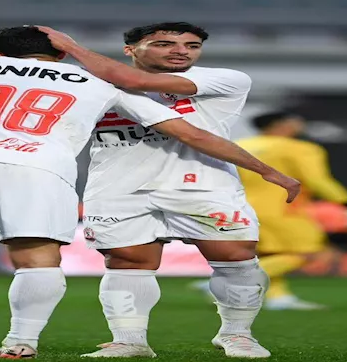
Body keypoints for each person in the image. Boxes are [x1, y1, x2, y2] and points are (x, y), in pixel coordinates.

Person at [0, 26, 299, 359]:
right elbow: (189, 132)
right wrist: (267, 171)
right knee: (37, 260)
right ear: (62, 54)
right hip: (40, 166)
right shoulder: (95, 83)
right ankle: (21, 343)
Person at [37, 23, 278, 358]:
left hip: (202, 183)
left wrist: (72, 48)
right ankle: (130, 340)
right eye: (164, 44)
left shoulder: (223, 79)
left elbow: (133, 81)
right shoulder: (92, 84)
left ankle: (237, 335)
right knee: (126, 261)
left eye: (192, 46)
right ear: (130, 49)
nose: (181, 51)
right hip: (117, 185)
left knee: (236, 256)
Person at [227, 111, 347, 310]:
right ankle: (230, 283)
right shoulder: (300, 148)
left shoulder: (239, 145)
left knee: (271, 254)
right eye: (295, 121)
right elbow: (317, 180)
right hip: (284, 209)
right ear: (281, 124)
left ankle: (279, 298)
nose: (300, 124)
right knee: (309, 253)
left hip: (241, 207)